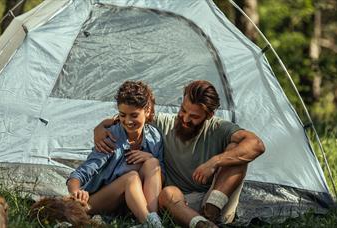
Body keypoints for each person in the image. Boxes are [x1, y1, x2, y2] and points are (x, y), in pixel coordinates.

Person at [94, 80, 265, 228]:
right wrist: (100, 127)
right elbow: (131, 117)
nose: (185, 118)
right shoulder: (164, 123)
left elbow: (256, 144)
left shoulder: (219, 128)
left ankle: (211, 212)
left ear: (209, 115)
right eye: (183, 110)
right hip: (175, 202)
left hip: (214, 199)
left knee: (238, 149)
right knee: (168, 192)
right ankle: (202, 224)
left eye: (194, 116)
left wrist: (214, 162)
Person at [67, 81, 164, 227]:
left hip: (130, 204)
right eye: (123, 115)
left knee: (153, 163)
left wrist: (150, 157)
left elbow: (161, 176)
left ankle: (152, 220)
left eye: (134, 115)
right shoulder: (110, 137)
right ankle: (151, 224)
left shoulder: (154, 137)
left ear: (148, 110)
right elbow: (78, 175)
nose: (128, 121)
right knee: (131, 178)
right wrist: (76, 193)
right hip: (99, 200)